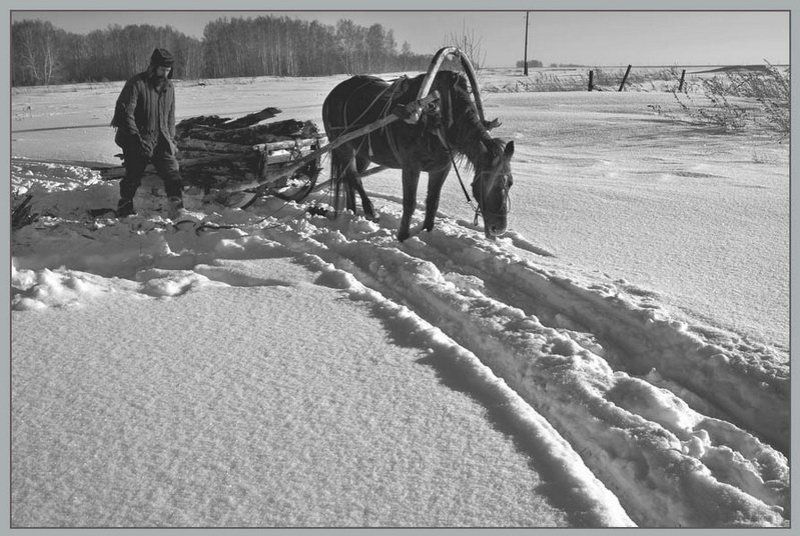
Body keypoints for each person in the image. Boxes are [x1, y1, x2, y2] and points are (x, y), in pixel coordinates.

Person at [110, 48, 184, 218]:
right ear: (153, 67)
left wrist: (171, 139)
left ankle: (177, 208)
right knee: (133, 174)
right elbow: (125, 113)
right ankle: (125, 205)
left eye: (168, 70)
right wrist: (136, 139)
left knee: (173, 172)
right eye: (162, 69)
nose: (165, 74)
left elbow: (170, 115)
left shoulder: (169, 86)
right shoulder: (137, 83)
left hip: (162, 139)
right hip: (137, 138)